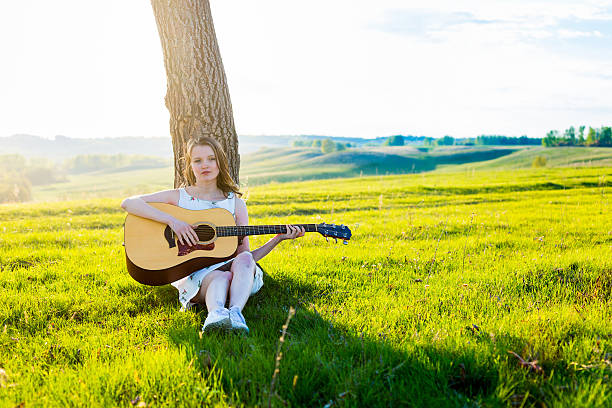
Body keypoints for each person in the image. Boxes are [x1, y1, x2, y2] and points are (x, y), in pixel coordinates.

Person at [121, 136, 305, 334]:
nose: (205, 165)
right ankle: (216, 314)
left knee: (243, 258)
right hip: (197, 275)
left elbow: (247, 257)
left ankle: (235, 314)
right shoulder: (180, 197)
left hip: (237, 276)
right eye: (197, 160)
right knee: (220, 277)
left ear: (220, 162)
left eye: (211, 158)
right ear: (190, 165)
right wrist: (173, 222)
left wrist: (277, 239)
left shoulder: (235, 204)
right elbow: (129, 203)